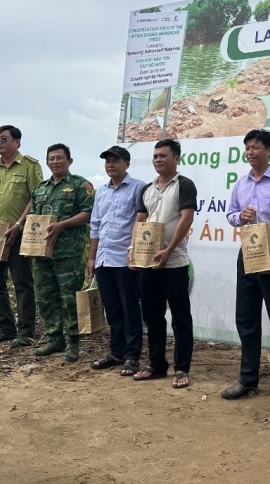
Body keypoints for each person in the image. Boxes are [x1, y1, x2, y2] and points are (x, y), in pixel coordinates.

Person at [221, 129, 270, 409]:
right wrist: (239, 216)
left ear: (269, 151)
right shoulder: (241, 184)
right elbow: (230, 215)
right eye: (247, 148)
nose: (250, 152)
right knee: (246, 319)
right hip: (249, 255)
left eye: (255, 147)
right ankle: (247, 379)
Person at [131, 139, 197, 389]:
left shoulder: (184, 185)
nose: (158, 160)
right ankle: (157, 364)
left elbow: (186, 218)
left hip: (175, 263)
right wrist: (133, 249)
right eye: (155, 156)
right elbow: (139, 221)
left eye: (163, 156)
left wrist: (168, 251)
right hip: (147, 264)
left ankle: (182, 368)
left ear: (176, 158)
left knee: (181, 318)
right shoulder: (147, 189)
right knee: (152, 316)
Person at [0, 125, 43, 347]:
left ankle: (26, 332)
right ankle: (5, 328)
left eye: (4, 139)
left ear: (17, 142)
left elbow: (36, 198)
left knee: (22, 282)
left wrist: (19, 224)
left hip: (19, 234)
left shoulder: (30, 166)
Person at [30, 144, 94, 362]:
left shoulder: (80, 185)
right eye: (51, 159)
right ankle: (54, 338)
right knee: (45, 297)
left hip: (68, 253)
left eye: (59, 158)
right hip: (42, 253)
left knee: (69, 299)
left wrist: (62, 225)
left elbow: (88, 213)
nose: (55, 162)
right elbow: (34, 219)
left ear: (69, 161)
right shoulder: (40, 188)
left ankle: (72, 342)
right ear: (47, 162)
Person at [87, 145, 146, 375]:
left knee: (130, 308)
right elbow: (95, 226)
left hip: (125, 258)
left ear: (127, 164)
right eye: (108, 161)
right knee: (112, 309)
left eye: (116, 160)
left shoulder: (138, 187)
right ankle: (116, 352)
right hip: (103, 258)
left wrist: (135, 252)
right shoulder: (101, 191)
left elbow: (140, 223)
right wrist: (91, 257)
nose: (111, 164)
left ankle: (132, 356)